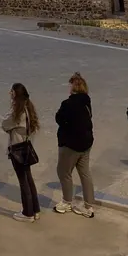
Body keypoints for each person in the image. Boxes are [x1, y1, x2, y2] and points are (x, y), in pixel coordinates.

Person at [54, 72, 95, 217]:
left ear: (73, 87)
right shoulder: (87, 101)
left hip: (71, 145)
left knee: (63, 172)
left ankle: (66, 202)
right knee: (85, 173)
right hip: (86, 143)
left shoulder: (68, 103)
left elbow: (59, 118)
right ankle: (89, 206)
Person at [3, 82, 41, 222]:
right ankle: (35, 210)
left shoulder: (18, 113)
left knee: (23, 181)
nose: (10, 94)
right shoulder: (28, 108)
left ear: (15, 94)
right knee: (28, 179)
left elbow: (4, 124)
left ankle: (27, 213)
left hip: (18, 148)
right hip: (26, 147)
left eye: (11, 92)